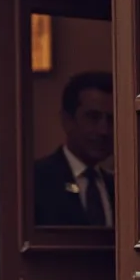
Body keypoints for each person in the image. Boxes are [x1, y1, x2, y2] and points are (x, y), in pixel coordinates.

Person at [33, 71, 115, 226]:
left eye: (111, 119)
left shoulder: (118, 187)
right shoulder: (36, 181)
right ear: (67, 120)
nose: (104, 130)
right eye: (93, 117)